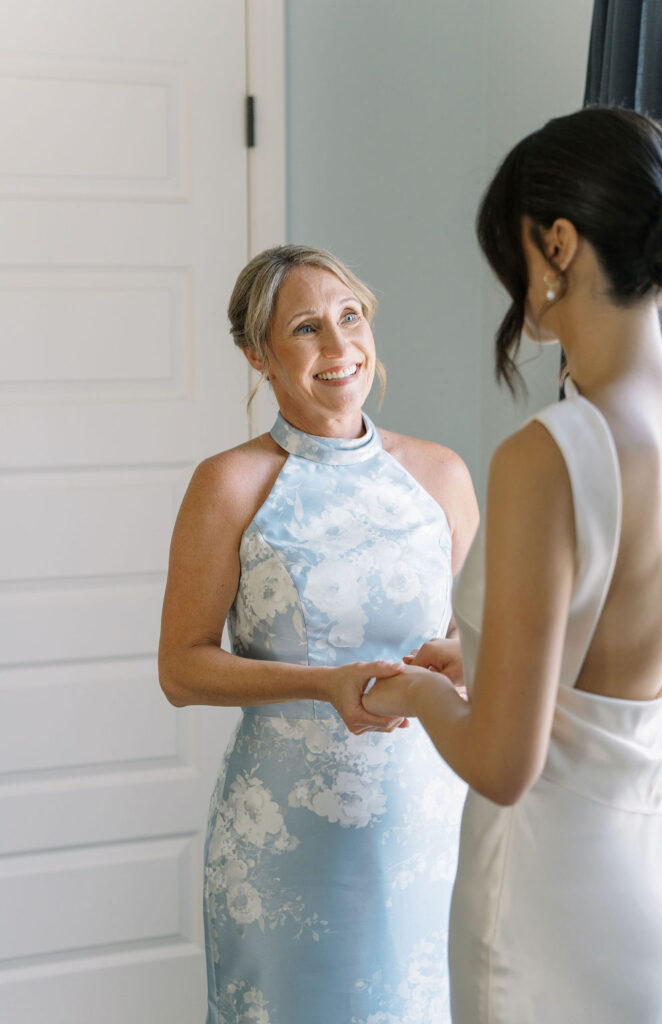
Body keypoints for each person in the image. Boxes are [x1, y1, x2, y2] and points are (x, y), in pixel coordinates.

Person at [363, 106, 662, 1023]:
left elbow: (506, 764)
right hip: (654, 888)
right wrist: (482, 663)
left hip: (545, 901)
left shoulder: (549, 451)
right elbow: (615, 666)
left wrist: (412, 693)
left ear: (558, 242)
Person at [158, 244, 479, 1024]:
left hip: (428, 823)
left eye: (350, 317)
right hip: (284, 839)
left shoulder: (440, 475)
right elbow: (182, 668)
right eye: (306, 328)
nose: (339, 348)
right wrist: (318, 682)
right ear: (256, 355)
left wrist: (464, 658)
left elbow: (458, 639)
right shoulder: (229, 483)